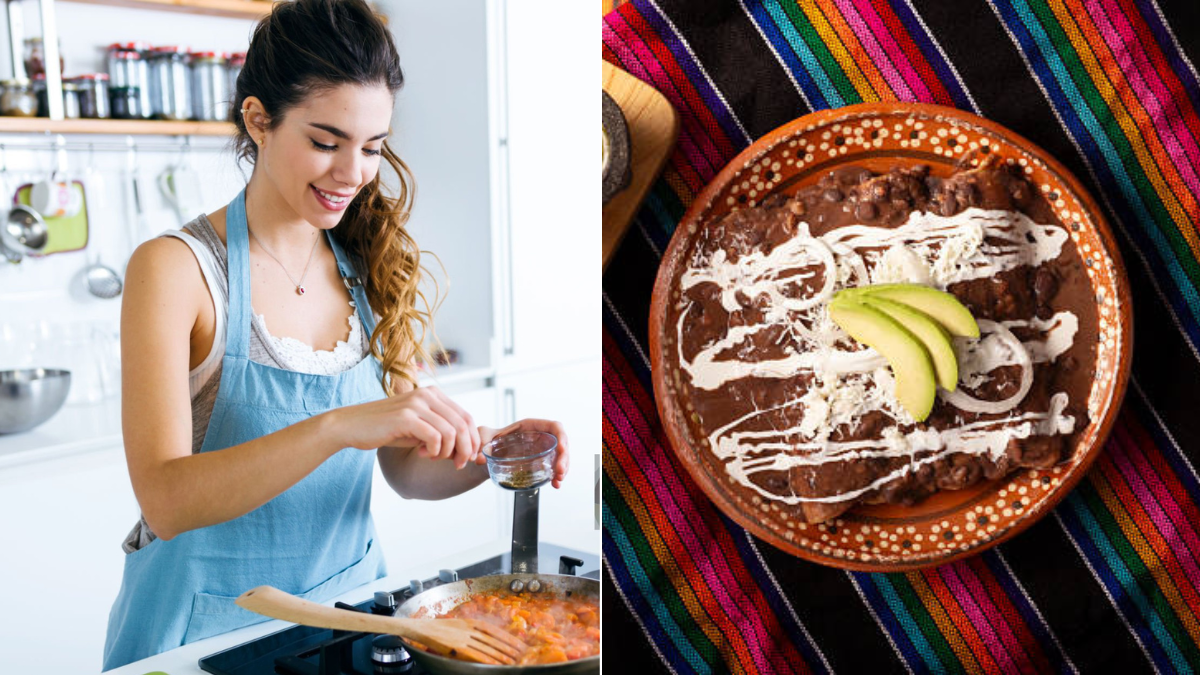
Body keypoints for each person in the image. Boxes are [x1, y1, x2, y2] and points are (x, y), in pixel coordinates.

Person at [102, 0, 569, 668]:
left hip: (348, 619)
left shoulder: (374, 262)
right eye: (326, 142)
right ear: (258, 119)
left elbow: (408, 467)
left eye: (372, 148)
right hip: (202, 634)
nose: (353, 173)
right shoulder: (177, 269)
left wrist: (497, 451)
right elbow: (167, 500)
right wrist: (337, 425)